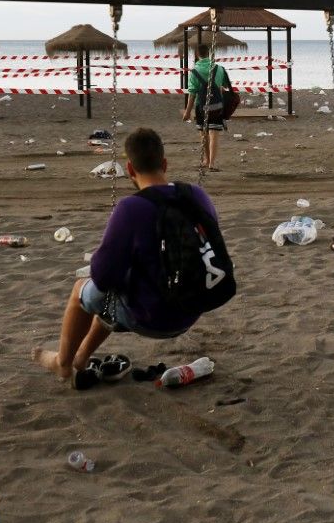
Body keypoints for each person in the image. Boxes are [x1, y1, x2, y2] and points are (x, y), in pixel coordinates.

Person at [33, 127, 225, 388]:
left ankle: (63, 363)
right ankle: (80, 359)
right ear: (165, 164)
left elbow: (102, 276)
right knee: (117, 288)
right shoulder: (196, 195)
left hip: (153, 318)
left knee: (84, 290)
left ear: (130, 170)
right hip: (193, 309)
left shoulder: (131, 208)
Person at [182, 49, 231, 170]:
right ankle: (212, 163)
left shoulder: (194, 72)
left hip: (201, 107)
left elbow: (192, 94)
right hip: (217, 106)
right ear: (209, 54)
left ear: (197, 56)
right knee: (214, 135)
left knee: (204, 135)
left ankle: (206, 160)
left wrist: (187, 112)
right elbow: (226, 86)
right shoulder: (219, 68)